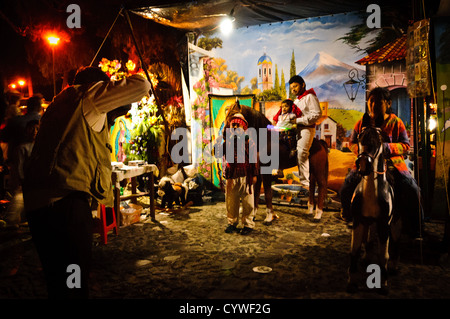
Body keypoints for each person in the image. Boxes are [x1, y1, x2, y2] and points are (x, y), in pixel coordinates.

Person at [23, 66, 151, 298]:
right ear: (98, 86)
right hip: (64, 203)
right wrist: (114, 84)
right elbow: (142, 85)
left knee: (57, 280)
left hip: (38, 205)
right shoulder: (89, 96)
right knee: (75, 279)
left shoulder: (60, 104)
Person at [339, 87, 423, 239]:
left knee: (412, 188)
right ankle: (349, 215)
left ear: (388, 103)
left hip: (392, 164)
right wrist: (363, 151)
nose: (374, 105)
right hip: (366, 162)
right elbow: (352, 143)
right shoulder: (362, 123)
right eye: (371, 101)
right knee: (346, 186)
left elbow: (405, 145)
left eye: (378, 101)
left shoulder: (396, 122)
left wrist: (385, 147)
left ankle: (416, 227)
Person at [222, 113, 259, 235]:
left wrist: (254, 175)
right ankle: (232, 223)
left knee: (248, 202)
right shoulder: (226, 142)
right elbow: (224, 159)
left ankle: (248, 224)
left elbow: (253, 159)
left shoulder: (249, 142)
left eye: (238, 125)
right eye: (233, 125)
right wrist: (225, 174)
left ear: (243, 127)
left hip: (245, 176)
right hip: (232, 176)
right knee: (231, 202)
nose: (235, 127)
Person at [3, 120, 39, 228]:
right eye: (31, 128)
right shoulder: (22, 148)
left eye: (37, 128)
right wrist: (21, 181)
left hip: (34, 185)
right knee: (17, 208)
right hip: (24, 185)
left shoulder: (39, 147)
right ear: (26, 131)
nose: (34, 131)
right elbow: (19, 167)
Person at [289, 75, 322, 189]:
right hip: (295, 129)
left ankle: (306, 183)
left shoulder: (310, 97)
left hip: (306, 129)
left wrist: (298, 120)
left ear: (303, 84)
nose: (293, 89)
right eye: (291, 87)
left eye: (295, 86)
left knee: (302, 152)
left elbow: (317, 114)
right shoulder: (296, 100)